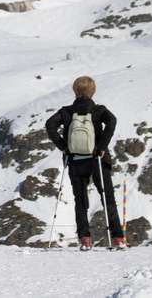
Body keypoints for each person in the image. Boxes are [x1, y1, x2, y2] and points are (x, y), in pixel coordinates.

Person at [45, 76, 126, 250]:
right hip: (97, 159)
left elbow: (50, 125)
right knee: (108, 199)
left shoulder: (66, 112)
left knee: (80, 200)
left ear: (75, 90)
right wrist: (102, 146)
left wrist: (63, 147)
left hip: (75, 160)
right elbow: (112, 121)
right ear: (92, 91)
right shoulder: (98, 110)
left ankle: (85, 240)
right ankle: (118, 239)